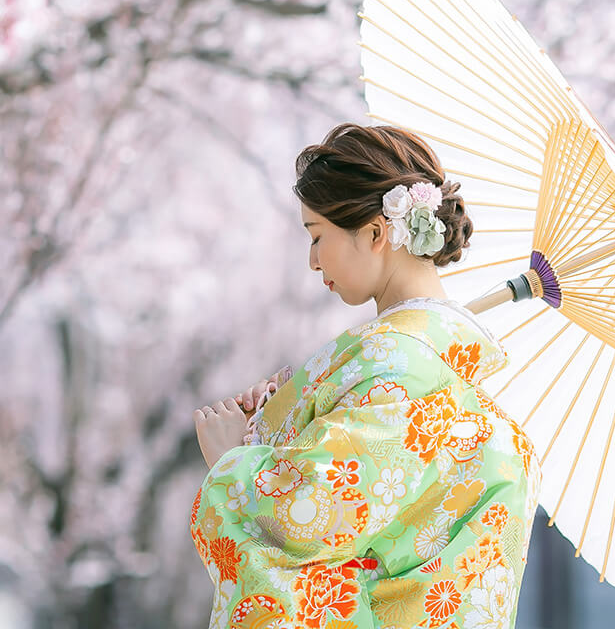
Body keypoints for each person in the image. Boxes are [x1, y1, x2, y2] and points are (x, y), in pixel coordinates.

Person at [191, 123, 541, 629]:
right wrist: (280, 424)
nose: (312, 261)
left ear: (376, 233)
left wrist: (236, 464)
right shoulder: (467, 398)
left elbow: (304, 523)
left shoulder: (393, 370)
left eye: (317, 237)